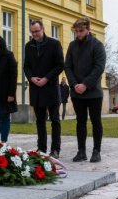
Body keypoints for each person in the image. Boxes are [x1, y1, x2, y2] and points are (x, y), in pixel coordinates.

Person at [65, 17, 106, 163]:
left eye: (81, 31)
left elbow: (99, 67)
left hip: (93, 92)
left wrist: (85, 85)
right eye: (76, 31)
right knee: (80, 122)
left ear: (88, 29)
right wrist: (75, 84)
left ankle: (96, 151)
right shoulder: (72, 46)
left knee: (96, 121)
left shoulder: (97, 45)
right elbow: (68, 67)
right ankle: (81, 151)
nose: (78, 34)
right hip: (77, 92)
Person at [24, 20, 65, 158]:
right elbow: (26, 66)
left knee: (55, 120)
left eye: (37, 31)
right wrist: (31, 78)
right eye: (32, 32)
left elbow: (60, 65)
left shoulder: (54, 44)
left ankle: (55, 149)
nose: (35, 34)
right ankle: (41, 148)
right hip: (36, 89)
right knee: (40, 120)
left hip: (51, 87)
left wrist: (46, 78)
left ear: (43, 29)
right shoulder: (28, 46)